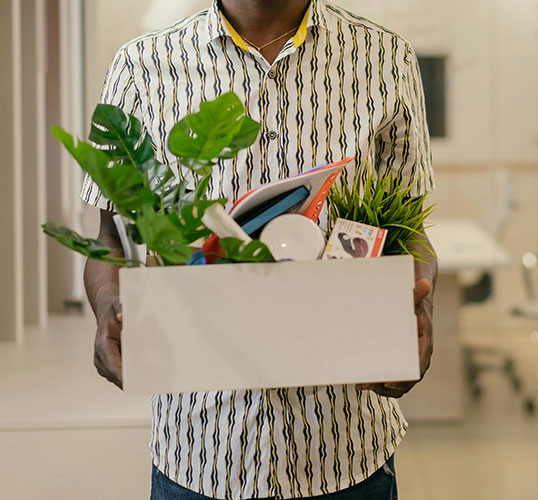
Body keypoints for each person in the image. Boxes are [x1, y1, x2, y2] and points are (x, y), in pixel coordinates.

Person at [82, 1, 437, 498]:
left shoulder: (385, 59)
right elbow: (110, 237)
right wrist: (107, 311)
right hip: (199, 449)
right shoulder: (142, 66)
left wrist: (419, 309)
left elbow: (412, 231)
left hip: (347, 447)